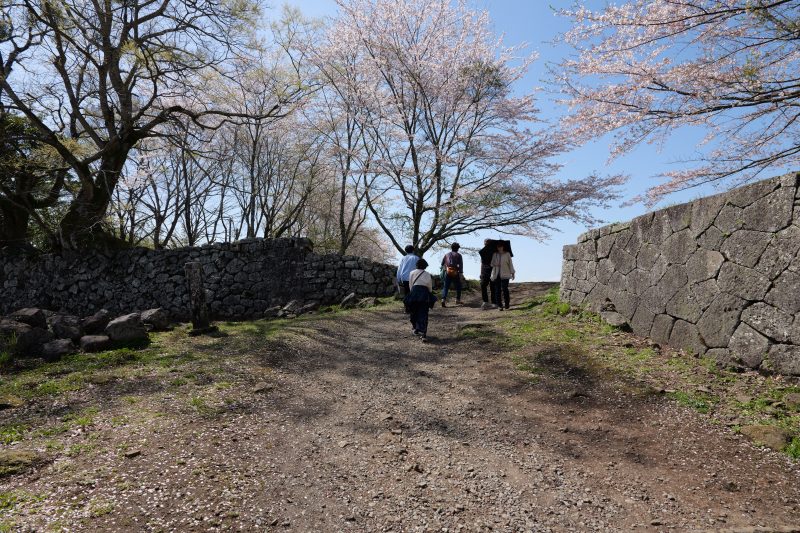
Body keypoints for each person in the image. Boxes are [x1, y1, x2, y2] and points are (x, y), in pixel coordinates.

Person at [404, 258, 436, 341]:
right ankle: (423, 333)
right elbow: (429, 286)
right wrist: (429, 293)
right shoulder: (427, 274)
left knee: (413, 312)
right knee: (423, 313)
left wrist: (412, 293)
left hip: (414, 293)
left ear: (416, 265)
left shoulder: (412, 273)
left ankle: (416, 328)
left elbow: (411, 285)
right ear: (425, 266)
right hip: (424, 294)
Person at [491, 242, 515, 311]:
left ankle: (507, 303)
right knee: (497, 290)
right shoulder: (495, 254)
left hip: (506, 274)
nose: (499, 248)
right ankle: (499, 305)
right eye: (498, 246)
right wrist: (496, 264)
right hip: (497, 274)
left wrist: (512, 273)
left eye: (501, 246)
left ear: (503, 247)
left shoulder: (507, 254)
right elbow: (491, 264)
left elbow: (510, 263)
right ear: (497, 247)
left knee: (505, 289)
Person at [440, 242, 463, 307]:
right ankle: (457, 299)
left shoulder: (446, 255)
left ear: (451, 248)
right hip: (455, 272)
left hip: (447, 272)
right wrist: (460, 273)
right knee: (458, 286)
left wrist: (446, 267)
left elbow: (442, 264)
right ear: (458, 248)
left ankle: (443, 299)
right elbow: (461, 265)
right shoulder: (459, 255)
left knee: (446, 287)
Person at [478, 239, 497, 310]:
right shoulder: (483, 252)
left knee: (493, 287)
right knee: (483, 285)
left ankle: (494, 302)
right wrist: (480, 273)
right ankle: (485, 301)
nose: (485, 244)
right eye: (485, 243)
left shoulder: (495, 252)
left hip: (493, 270)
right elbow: (482, 263)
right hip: (484, 271)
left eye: (487, 243)